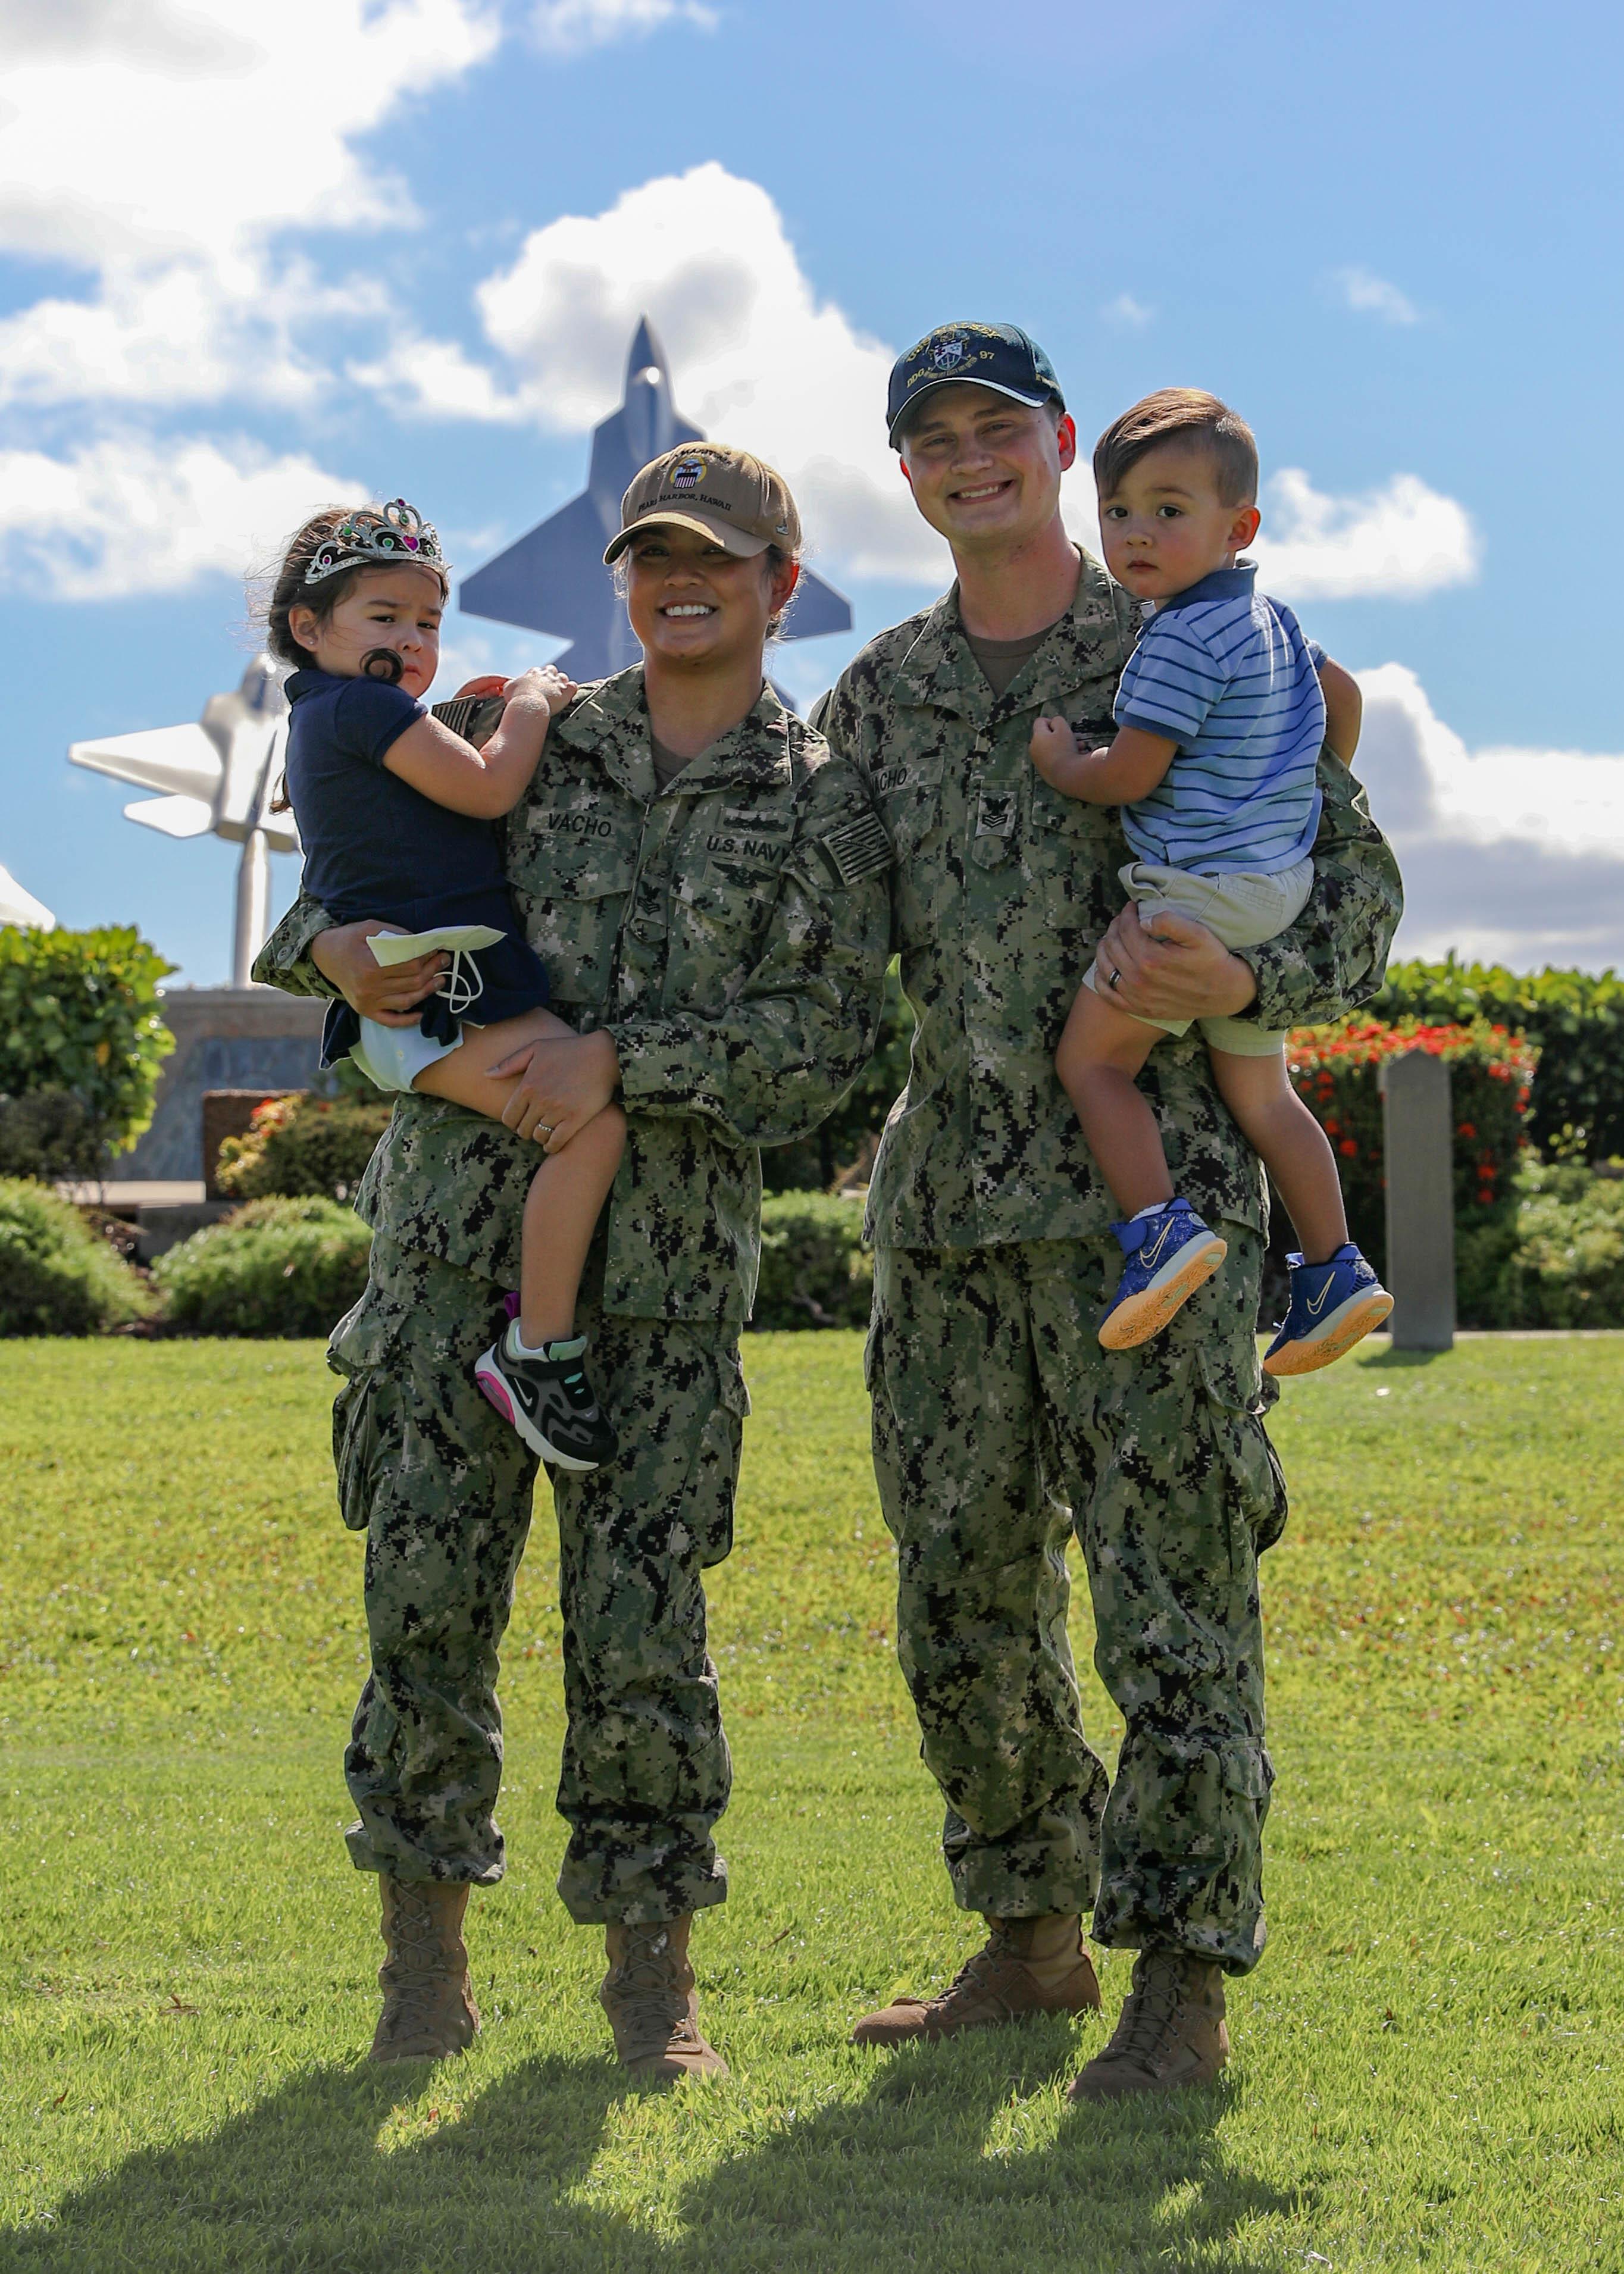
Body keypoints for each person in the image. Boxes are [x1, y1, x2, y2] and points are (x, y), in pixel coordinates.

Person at [812, 323, 1402, 2101]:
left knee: (1176, 1600)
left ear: (1058, 446)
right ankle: (1029, 1938)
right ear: (905, 475)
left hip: (1167, 1221)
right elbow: (824, 963)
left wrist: (1253, 958)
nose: (967, 458)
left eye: (999, 428)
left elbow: (1354, 900)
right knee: (964, 1602)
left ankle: (1183, 1980)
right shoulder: (882, 695)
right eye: (932, 439)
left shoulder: (1202, 636)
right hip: (948, 1228)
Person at [255, 443, 891, 2079]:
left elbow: (827, 1045)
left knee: (643, 1627)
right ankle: (419, 1967)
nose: (680, 580)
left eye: (718, 556)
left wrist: (627, 1062)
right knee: (423, 1609)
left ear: (782, 580)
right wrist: (322, 946)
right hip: (453, 1257)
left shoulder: (822, 791)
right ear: (619, 578)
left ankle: (648, 1981)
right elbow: (346, 852)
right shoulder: (515, 729)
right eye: (651, 553)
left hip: (668, 1283)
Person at [1028, 390, 1393, 1375]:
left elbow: (1132, 772)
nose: (1137, 533)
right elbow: (1340, 696)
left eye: (1169, 510)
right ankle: (1333, 1268)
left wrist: (1067, 763)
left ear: (1238, 526)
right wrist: (1293, 802)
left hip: (1193, 894)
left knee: (1092, 1065)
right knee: (1263, 1095)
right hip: (1270, 891)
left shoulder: (1176, 636)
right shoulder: (1266, 616)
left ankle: (1157, 1228)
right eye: (1118, 511)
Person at [269, 497, 623, 1471]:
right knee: (593, 1124)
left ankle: (536, 1338)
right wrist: (529, 705)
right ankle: (538, 1348)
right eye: (383, 617)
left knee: (582, 1121)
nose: (412, 640)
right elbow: (488, 788)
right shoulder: (368, 707)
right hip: (445, 993)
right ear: (310, 627)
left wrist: (457, 709)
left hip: (421, 993)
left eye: (427, 621)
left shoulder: (319, 720)